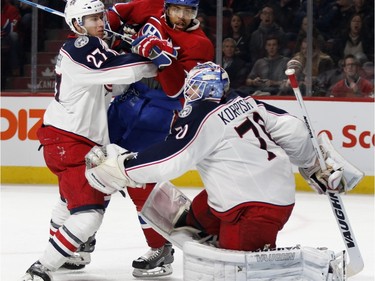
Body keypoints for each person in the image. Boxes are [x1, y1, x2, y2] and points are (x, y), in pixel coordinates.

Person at [85, 61, 346, 254]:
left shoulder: (202, 116)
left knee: (235, 268)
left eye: (193, 89)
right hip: (255, 195)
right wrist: (312, 163)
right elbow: (294, 128)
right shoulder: (246, 101)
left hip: (256, 208)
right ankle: (214, 232)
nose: (189, 94)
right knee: (194, 218)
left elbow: (172, 158)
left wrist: (124, 167)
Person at [20, 0, 157, 280]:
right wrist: (151, 57)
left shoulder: (93, 47)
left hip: (66, 139)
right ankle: (40, 269)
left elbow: (116, 84)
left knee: (69, 201)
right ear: (76, 24)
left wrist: (130, 49)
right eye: (91, 18)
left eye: (100, 17)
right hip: (69, 142)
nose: (99, 23)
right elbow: (125, 72)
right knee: (90, 213)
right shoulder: (82, 45)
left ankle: (70, 253)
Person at [106, 0, 215, 277]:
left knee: (137, 179)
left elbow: (177, 90)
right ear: (166, 7)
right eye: (176, 9)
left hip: (161, 111)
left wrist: (163, 59)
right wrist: (114, 32)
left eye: (188, 12)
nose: (181, 17)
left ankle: (161, 247)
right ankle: (80, 235)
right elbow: (116, 14)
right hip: (128, 99)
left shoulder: (200, 45)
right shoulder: (150, 8)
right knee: (94, 162)